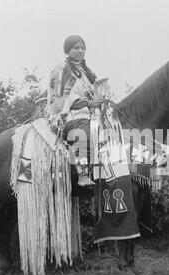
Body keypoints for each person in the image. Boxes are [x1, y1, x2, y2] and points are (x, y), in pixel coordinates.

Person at [46, 35, 102, 186]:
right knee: (83, 134)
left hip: (88, 116)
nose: (80, 51)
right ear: (67, 50)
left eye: (83, 47)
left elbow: (91, 94)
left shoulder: (85, 72)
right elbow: (60, 100)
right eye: (76, 48)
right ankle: (83, 175)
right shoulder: (62, 70)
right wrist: (87, 103)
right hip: (68, 117)